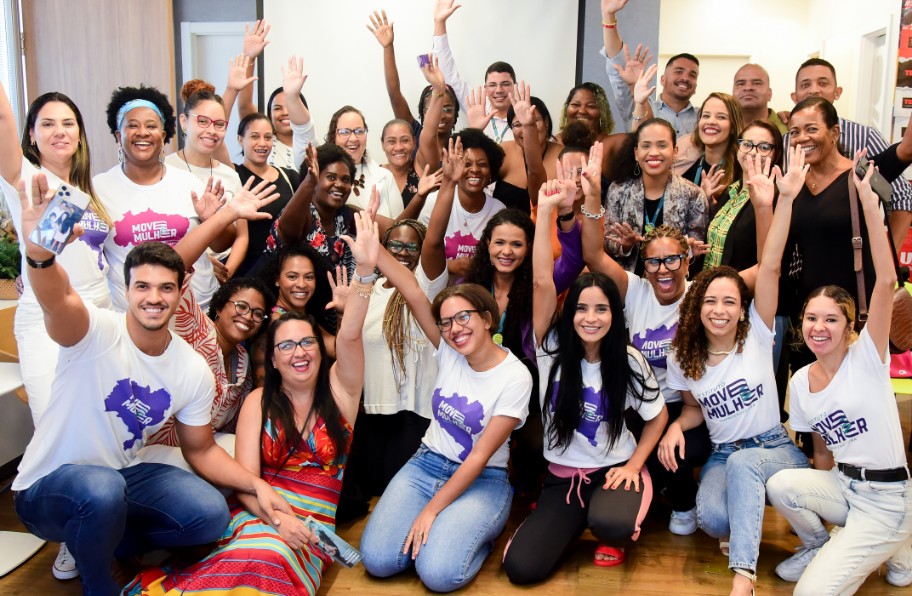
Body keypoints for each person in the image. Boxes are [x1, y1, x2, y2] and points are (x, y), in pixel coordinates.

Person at [10, 173, 290, 596]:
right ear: (127, 290)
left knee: (209, 514)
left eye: (165, 288)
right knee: (101, 490)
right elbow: (57, 299)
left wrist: (257, 485)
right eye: (142, 286)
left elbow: (201, 449)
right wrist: (39, 258)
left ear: (180, 294)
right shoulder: (94, 331)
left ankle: (104, 541)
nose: (154, 298)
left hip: (122, 475)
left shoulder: (190, 368)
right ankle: (100, 583)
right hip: (47, 488)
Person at [124, 210, 379, 596]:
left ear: (320, 349)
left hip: (309, 532)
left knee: (271, 559)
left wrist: (364, 273)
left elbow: (350, 338)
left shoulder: (341, 393)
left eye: (307, 342)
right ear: (272, 358)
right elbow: (246, 483)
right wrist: (278, 521)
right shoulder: (258, 401)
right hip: (262, 515)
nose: (299, 352)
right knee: (254, 556)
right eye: (286, 345)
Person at [657, 147, 813, 596]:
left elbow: (771, 265)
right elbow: (693, 410)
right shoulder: (683, 356)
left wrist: (777, 202)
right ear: (696, 308)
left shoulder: (757, 335)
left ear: (742, 309)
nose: (720, 310)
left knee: (747, 463)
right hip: (724, 453)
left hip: (774, 446)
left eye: (730, 301)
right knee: (711, 519)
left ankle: (743, 578)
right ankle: (756, 523)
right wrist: (674, 428)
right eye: (710, 301)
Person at [502, 176, 667, 583]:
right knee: (521, 569)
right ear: (569, 313)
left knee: (612, 524)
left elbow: (657, 417)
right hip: (564, 478)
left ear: (615, 315)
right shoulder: (550, 349)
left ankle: (607, 520)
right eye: (581, 309)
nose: (591, 318)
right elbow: (543, 281)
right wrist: (545, 211)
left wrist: (635, 465)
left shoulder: (629, 360)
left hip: (614, 470)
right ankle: (570, 520)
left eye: (602, 309)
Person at [765, 159, 912, 595]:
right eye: (812, 318)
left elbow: (885, 282)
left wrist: (869, 206)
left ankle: (897, 541)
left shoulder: (866, 356)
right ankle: (829, 547)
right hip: (845, 487)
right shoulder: (801, 381)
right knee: (782, 484)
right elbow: (822, 452)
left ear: (849, 326)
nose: (819, 327)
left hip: (886, 499)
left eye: (831, 319)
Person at [0, 85, 114, 581]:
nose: (59, 131)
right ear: (31, 135)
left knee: (100, 423)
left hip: (98, 313)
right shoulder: (26, 178)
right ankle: (70, 535)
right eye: (47, 123)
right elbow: (3, 124)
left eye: (68, 123)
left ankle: (101, 526)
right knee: (55, 425)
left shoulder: (89, 190)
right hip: (46, 315)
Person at [581, 142, 712, 536]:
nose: (662, 269)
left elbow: (764, 272)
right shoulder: (636, 289)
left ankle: (683, 499)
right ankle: (653, 488)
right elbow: (593, 255)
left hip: (688, 409)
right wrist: (592, 196)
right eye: (654, 261)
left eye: (672, 259)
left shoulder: (702, 296)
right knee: (617, 455)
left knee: (679, 451)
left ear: (687, 261)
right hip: (638, 407)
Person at [137, 178, 280, 468]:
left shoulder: (243, 365)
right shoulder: (193, 326)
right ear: (219, 307)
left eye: (257, 313)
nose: (248, 316)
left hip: (201, 450)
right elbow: (172, 268)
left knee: (255, 454)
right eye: (241, 306)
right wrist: (226, 216)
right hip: (153, 448)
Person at [95, 85, 232, 313]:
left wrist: (211, 220)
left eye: (151, 126)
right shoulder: (98, 189)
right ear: (119, 135)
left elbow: (222, 243)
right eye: (132, 125)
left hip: (198, 309)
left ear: (163, 135)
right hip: (134, 316)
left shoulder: (188, 183)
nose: (142, 132)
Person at [786, 57, 912, 248]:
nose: (814, 90)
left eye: (823, 83)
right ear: (795, 96)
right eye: (796, 131)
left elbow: (902, 189)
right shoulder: (786, 147)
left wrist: (886, 256)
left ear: (835, 133)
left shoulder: (861, 164)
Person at [604, 117, 707, 273]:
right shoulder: (618, 190)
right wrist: (624, 245)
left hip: (672, 280)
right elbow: (608, 242)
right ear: (636, 153)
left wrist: (686, 251)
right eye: (646, 146)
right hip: (628, 281)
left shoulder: (693, 195)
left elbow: (695, 250)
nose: (653, 153)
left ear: (675, 151)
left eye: (662, 145)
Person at [367, 8, 460, 168]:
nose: (440, 115)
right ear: (423, 112)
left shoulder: (459, 144)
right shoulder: (414, 133)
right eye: (433, 109)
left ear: (456, 113)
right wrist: (388, 47)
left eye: (447, 109)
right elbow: (394, 94)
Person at [600, 0, 698, 136]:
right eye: (679, 71)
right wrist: (608, 16)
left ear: (696, 86)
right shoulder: (638, 103)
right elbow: (617, 63)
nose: (685, 78)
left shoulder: (704, 117)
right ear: (662, 79)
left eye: (692, 75)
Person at [418, 130, 506, 280]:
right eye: (466, 164)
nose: (475, 170)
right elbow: (416, 254)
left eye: (482, 164)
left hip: (480, 291)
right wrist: (449, 266)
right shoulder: (433, 203)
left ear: (491, 171)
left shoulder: (499, 211)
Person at [703, 119, 783, 272]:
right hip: (708, 283)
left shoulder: (777, 197)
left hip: (741, 285)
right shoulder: (729, 191)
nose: (753, 152)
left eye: (764, 147)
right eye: (747, 144)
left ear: (776, 154)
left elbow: (770, 262)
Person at [431, 0, 516, 144]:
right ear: (485, 88)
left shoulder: (524, 113)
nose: (499, 90)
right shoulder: (478, 105)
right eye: (492, 85)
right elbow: (449, 76)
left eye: (505, 84)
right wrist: (439, 23)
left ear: (515, 86)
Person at [229, 113, 301, 277]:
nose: (262, 143)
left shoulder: (290, 177)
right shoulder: (233, 174)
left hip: (285, 272)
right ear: (240, 139)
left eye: (268, 137)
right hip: (247, 272)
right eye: (255, 136)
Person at [325, 105, 404, 218]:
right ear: (333, 136)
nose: (353, 138)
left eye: (359, 131)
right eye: (345, 132)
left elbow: (400, 225)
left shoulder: (385, 177)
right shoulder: (322, 176)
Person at [678, 92, 744, 206]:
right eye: (706, 116)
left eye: (721, 117)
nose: (711, 121)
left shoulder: (741, 172)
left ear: (733, 127)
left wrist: (710, 206)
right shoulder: (685, 168)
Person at [732, 63, 787, 134]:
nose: (748, 88)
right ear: (732, 93)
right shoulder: (723, 130)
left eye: (757, 83)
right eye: (741, 84)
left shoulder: (790, 129)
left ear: (769, 94)